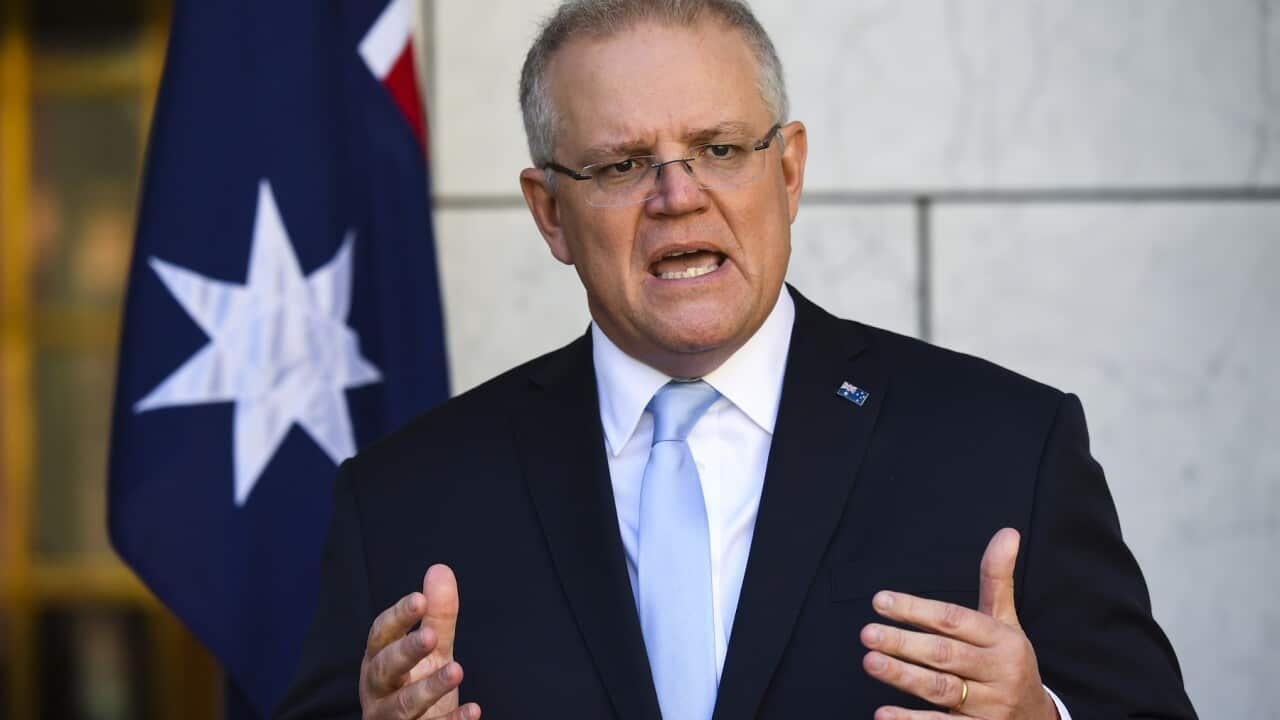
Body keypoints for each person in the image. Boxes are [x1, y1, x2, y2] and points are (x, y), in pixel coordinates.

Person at [275, 1, 1198, 718]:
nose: (678, 195)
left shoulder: (1007, 449)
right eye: (623, 164)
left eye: (719, 148)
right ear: (550, 213)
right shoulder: (401, 498)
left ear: (787, 172)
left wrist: (1040, 716)